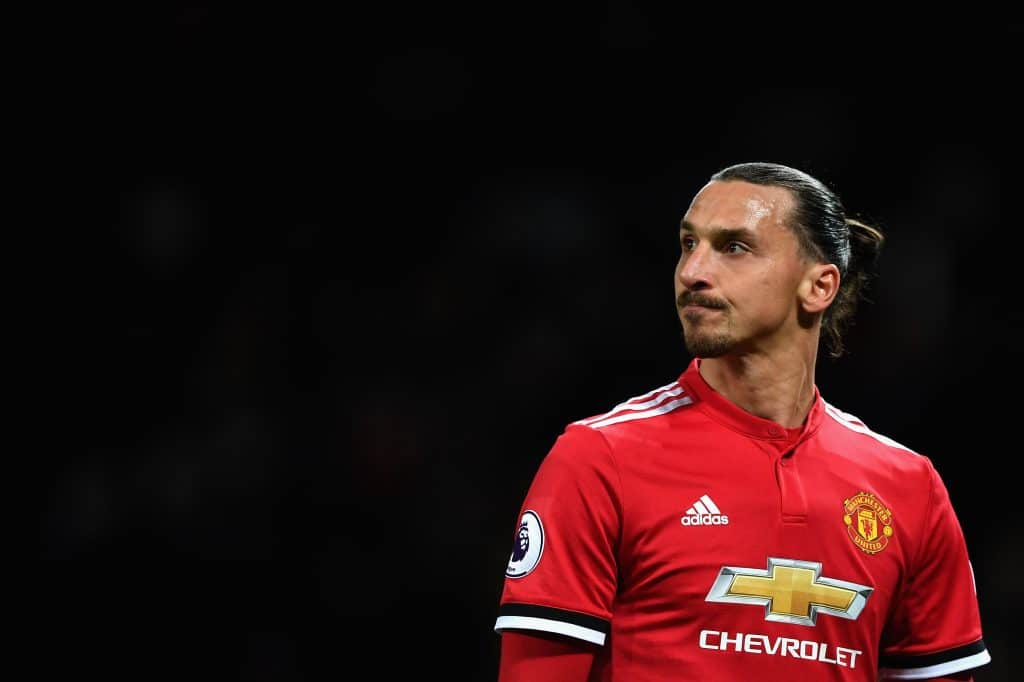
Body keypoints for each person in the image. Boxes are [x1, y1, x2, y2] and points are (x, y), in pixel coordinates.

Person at [493, 162, 990, 681]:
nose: (692, 272)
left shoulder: (909, 487)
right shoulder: (601, 458)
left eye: (734, 247)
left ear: (818, 287)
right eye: (689, 244)